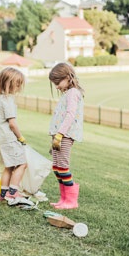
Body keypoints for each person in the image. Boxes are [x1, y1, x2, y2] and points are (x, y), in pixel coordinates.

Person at [0, 67, 32, 205]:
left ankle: (3, 194)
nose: (19, 87)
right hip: (9, 138)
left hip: (0, 139)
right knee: (22, 164)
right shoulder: (8, 100)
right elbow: (12, 124)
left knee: (8, 167)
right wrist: (20, 137)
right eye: (17, 84)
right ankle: (13, 193)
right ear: (9, 83)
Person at [48, 62, 84, 210]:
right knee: (56, 167)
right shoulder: (67, 94)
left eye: (58, 82)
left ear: (68, 77)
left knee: (63, 167)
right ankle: (63, 199)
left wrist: (60, 134)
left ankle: (71, 201)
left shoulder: (73, 93)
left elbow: (70, 115)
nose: (56, 86)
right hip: (58, 135)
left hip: (65, 135)